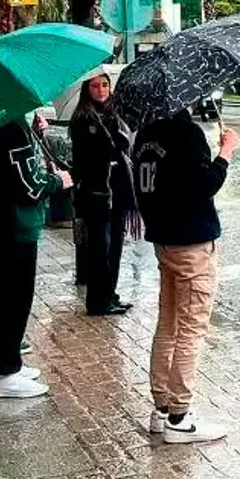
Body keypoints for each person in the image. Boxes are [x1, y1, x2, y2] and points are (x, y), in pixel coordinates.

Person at [134, 106, 238, 444]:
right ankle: (180, 416)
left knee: (169, 323)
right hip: (192, 243)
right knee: (191, 328)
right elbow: (204, 184)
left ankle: (161, 409)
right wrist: (225, 151)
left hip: (164, 240)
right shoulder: (186, 133)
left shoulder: (146, 135)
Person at [0, 113, 72, 399]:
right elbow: (28, 184)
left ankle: (3, 362)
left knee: (6, 292)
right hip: (12, 223)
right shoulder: (8, 129)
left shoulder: (1, 123)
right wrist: (57, 181)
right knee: (13, 295)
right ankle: (5, 371)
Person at [69, 74, 137, 316]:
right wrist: (110, 144)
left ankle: (110, 293)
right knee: (101, 248)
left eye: (105, 85)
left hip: (118, 190)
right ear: (87, 90)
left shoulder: (115, 113)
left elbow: (126, 145)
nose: (101, 90)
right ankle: (98, 301)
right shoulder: (83, 119)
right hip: (97, 193)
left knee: (116, 245)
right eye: (95, 86)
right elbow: (86, 159)